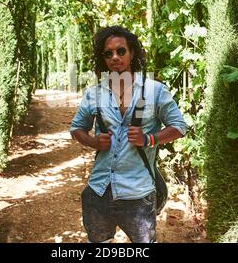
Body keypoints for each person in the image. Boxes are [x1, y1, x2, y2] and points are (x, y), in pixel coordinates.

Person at [69, 25, 187, 243]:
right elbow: (76, 128)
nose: (115, 57)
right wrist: (93, 141)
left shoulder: (154, 91)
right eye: (108, 53)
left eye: (121, 51)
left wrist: (148, 139)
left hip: (138, 192)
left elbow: (179, 127)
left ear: (132, 53)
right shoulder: (94, 93)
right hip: (99, 189)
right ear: (103, 59)